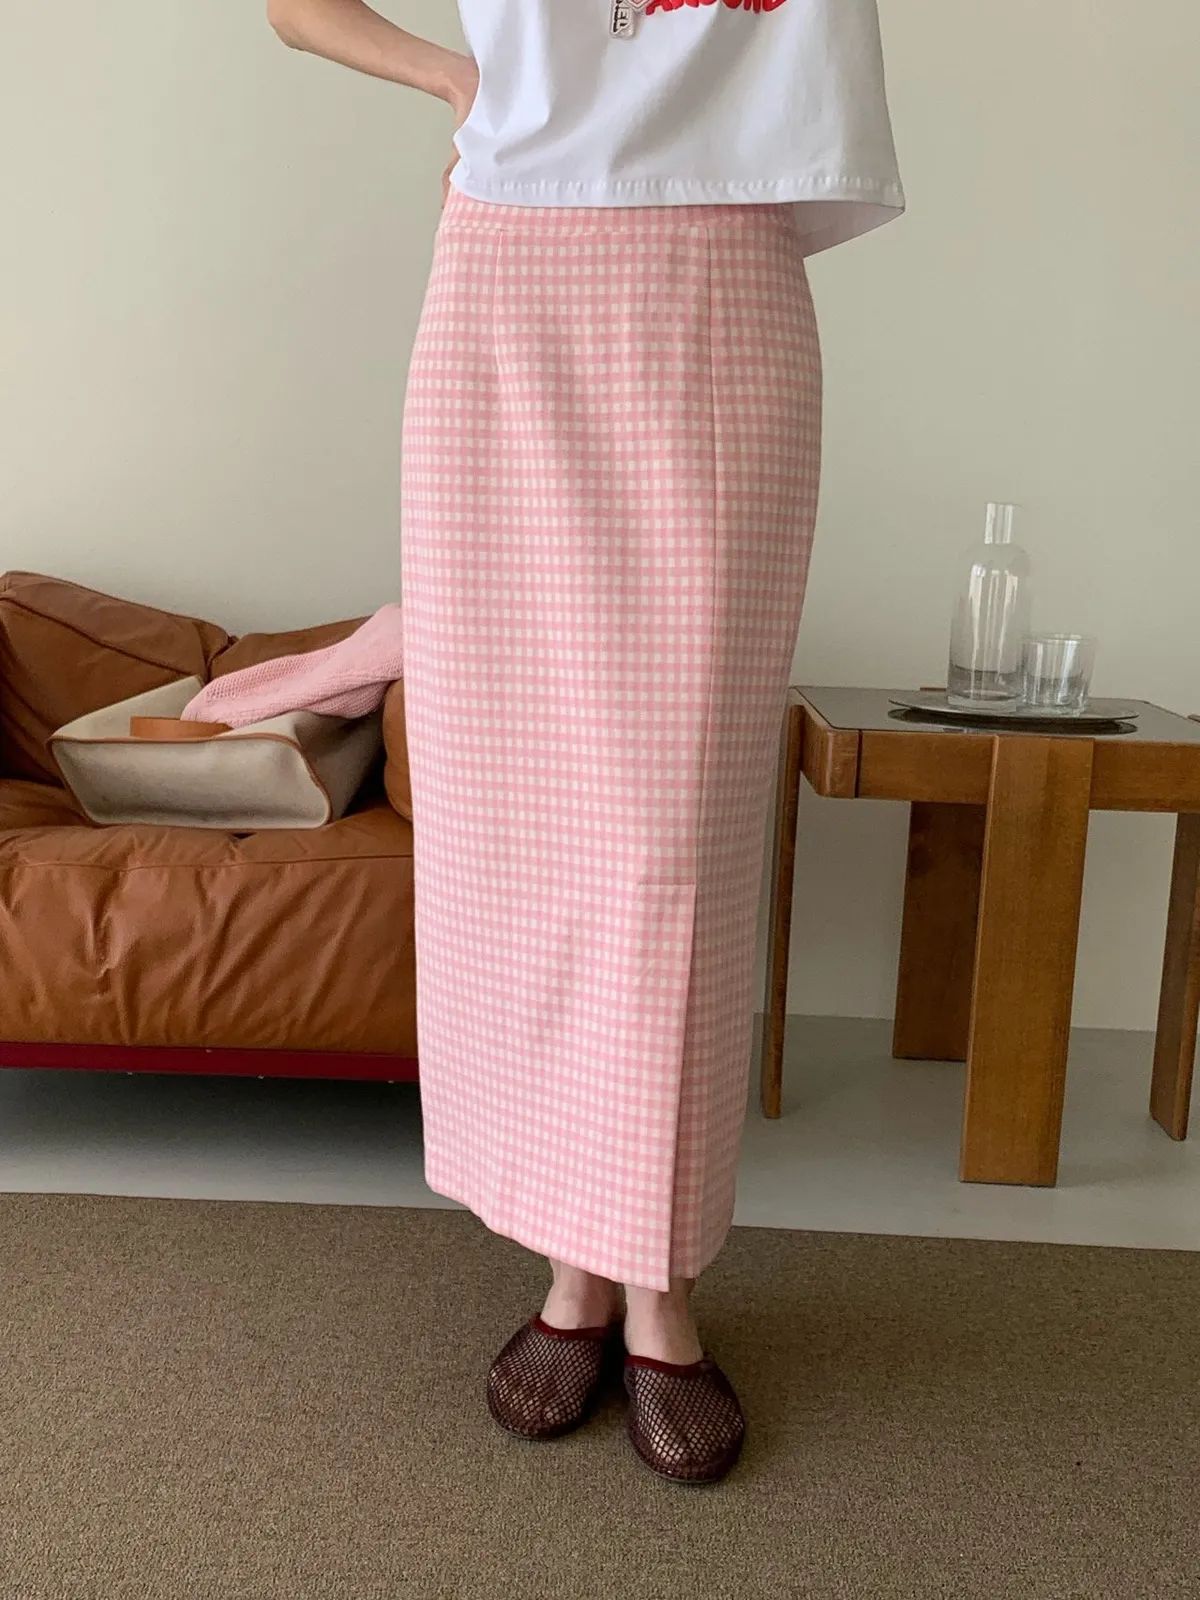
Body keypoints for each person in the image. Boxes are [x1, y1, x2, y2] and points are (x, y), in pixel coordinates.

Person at [267, 0, 904, 1485]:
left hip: (723, 267)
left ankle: (658, 1282)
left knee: (673, 840)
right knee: (513, 820)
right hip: (512, 267)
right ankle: (579, 1277)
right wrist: (455, 77)